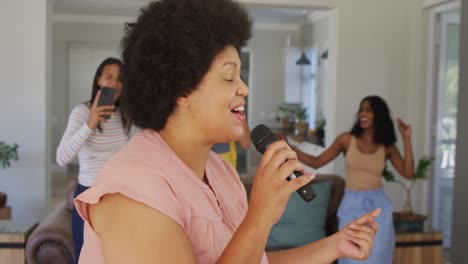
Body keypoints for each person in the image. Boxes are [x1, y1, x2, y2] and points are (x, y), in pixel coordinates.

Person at [74, 0, 380, 263]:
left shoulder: (220, 172)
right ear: (181, 89)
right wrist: (259, 216)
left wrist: (335, 245)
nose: (244, 88)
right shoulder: (132, 194)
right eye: (229, 77)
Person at [291, 95, 414, 264]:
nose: (362, 113)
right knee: (351, 256)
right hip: (351, 204)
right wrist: (290, 148)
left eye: (368, 110)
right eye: (361, 109)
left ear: (378, 115)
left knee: (377, 257)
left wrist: (406, 137)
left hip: (379, 209)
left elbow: (408, 173)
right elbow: (317, 162)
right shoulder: (346, 140)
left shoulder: (387, 147)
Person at [56, 57, 131, 262]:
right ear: (98, 80)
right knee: (86, 257)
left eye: (120, 79)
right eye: (109, 77)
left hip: (117, 197)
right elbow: (62, 158)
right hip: (89, 197)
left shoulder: (123, 116)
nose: (115, 83)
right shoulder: (81, 112)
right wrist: (90, 123)